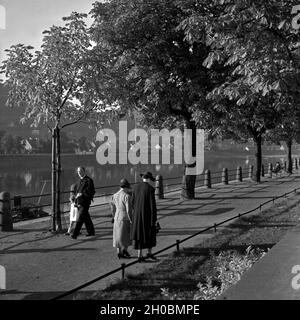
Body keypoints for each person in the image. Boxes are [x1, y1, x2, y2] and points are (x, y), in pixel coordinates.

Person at [131, 171, 157, 261]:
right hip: (147, 216)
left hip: (137, 216)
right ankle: (149, 253)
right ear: (149, 179)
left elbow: (132, 203)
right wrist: (154, 218)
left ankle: (139, 255)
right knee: (151, 234)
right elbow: (152, 206)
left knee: (139, 235)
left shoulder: (135, 187)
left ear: (143, 178)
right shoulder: (150, 189)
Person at [110, 178, 132, 259]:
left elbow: (112, 208)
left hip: (117, 217)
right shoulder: (127, 196)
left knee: (117, 236)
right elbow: (128, 210)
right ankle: (125, 250)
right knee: (127, 236)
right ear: (126, 187)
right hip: (124, 218)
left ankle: (119, 252)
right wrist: (131, 220)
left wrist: (113, 216)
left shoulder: (114, 195)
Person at [71, 166, 95, 239]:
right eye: (78, 172)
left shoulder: (89, 180)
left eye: (81, 171)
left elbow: (91, 191)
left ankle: (75, 234)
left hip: (85, 203)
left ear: (84, 171)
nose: (79, 173)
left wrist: (82, 194)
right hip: (79, 203)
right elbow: (77, 192)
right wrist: (74, 200)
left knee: (80, 218)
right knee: (86, 218)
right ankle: (91, 232)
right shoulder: (79, 181)